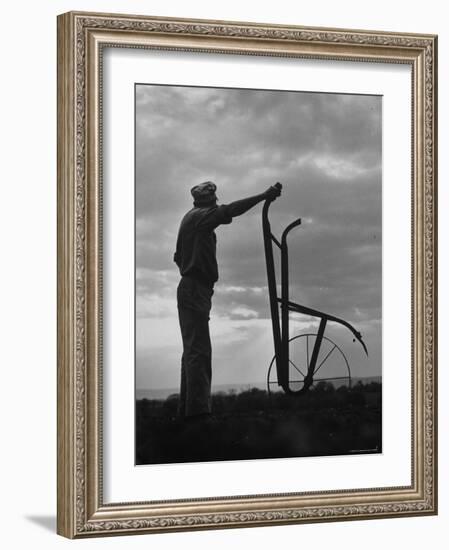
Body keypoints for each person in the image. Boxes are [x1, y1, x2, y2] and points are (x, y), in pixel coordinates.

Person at [174, 181, 282, 419]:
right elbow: (230, 210)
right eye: (214, 203)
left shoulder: (191, 219)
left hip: (193, 288)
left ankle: (187, 412)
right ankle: (198, 415)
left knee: (193, 350)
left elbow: (177, 257)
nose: (216, 206)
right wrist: (263, 196)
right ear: (208, 203)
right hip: (195, 288)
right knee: (199, 352)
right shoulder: (200, 218)